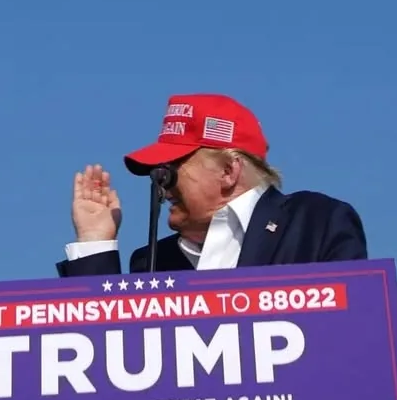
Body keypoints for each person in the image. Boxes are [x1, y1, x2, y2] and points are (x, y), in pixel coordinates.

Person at [56, 94, 366, 277]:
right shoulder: (152, 262)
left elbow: (352, 325)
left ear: (229, 170)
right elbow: (107, 349)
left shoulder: (314, 223)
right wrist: (95, 241)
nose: (162, 186)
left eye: (172, 169)